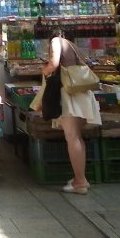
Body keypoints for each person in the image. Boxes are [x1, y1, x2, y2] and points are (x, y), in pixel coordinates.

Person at [41, 31, 101, 195]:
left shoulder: (56, 40)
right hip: (82, 93)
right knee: (77, 137)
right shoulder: (73, 46)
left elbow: (53, 64)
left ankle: (80, 182)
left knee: (72, 136)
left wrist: (45, 71)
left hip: (70, 94)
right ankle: (81, 179)